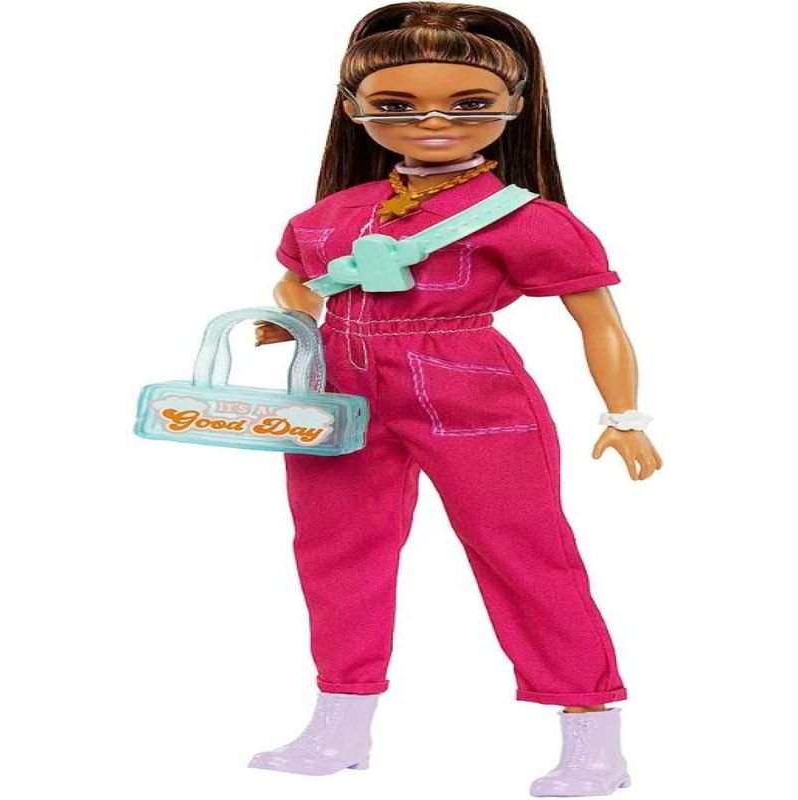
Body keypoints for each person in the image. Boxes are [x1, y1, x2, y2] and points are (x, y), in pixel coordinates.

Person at [248, 3, 661, 796]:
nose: (433, 122)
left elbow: (597, 319)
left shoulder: (529, 221)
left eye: (469, 103)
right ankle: (340, 721)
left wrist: (624, 416)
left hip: (471, 391)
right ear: (353, 108)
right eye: (396, 105)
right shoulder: (329, 215)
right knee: (335, 554)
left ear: (515, 105)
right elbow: (298, 279)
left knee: (525, 556)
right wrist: (291, 316)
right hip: (338, 391)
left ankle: (591, 734)